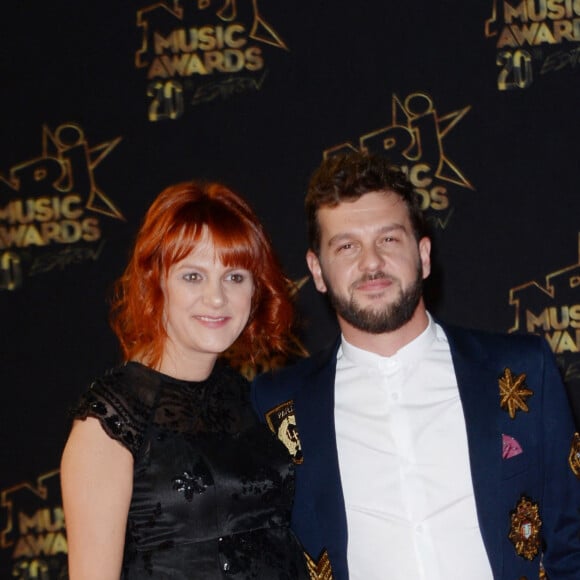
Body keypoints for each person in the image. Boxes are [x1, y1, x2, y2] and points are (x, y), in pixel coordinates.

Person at [252, 151, 580, 580]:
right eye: (347, 246)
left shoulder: (521, 370)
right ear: (317, 270)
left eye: (388, 239)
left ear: (423, 255)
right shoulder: (277, 406)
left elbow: (571, 540)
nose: (371, 263)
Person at [61, 181, 311, 579]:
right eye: (193, 276)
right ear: (156, 281)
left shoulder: (249, 398)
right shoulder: (111, 420)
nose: (216, 298)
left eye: (235, 277)